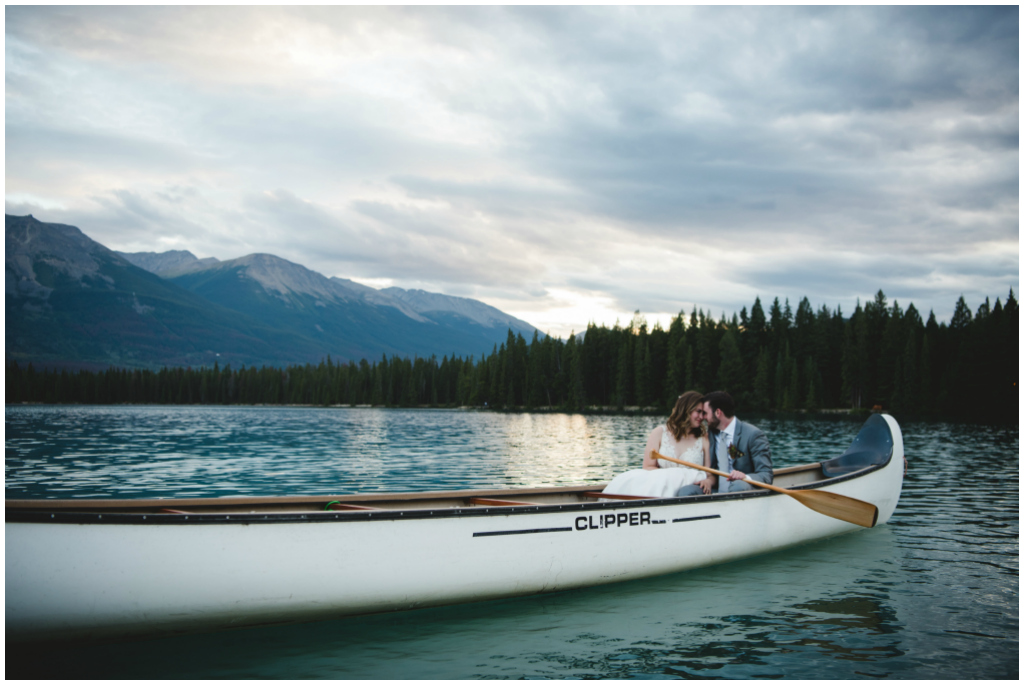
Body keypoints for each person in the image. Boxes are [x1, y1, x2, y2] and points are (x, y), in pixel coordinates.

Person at [602, 391, 715, 498]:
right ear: (686, 410)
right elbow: (647, 467)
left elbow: (710, 474)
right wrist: (673, 477)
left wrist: (708, 482)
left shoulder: (703, 439)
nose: (702, 417)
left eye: (703, 413)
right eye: (698, 412)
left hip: (688, 490)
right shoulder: (659, 433)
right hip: (661, 488)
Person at [676, 390, 772, 496]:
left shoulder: (753, 435)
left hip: (743, 488)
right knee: (686, 491)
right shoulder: (710, 434)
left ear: (718, 413)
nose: (702, 417)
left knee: (738, 486)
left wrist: (745, 477)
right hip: (716, 489)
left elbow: (766, 475)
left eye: (705, 413)